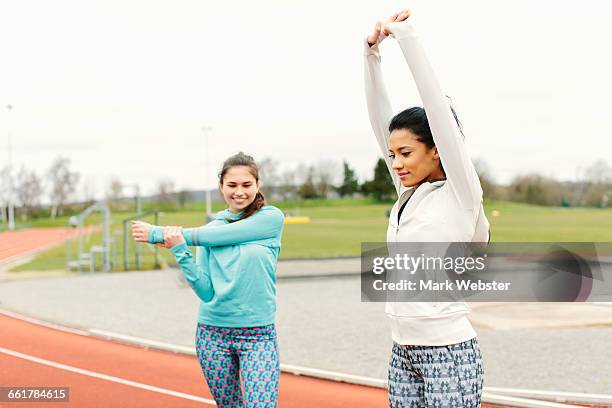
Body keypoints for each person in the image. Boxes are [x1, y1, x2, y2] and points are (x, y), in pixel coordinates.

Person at [364, 9, 489, 407]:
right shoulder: (407, 197)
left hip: (448, 354)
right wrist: (370, 56)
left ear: (437, 151)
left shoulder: (462, 196)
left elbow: (438, 114)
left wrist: (408, 41)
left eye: (406, 153)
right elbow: (378, 120)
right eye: (392, 155)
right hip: (402, 351)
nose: (397, 163)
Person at [132, 152, 284, 408]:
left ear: (257, 185)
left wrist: (158, 233)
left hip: (258, 336)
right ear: (221, 187)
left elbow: (221, 236)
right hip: (213, 335)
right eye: (232, 185)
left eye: (247, 185)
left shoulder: (270, 219)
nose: (239, 192)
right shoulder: (210, 231)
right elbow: (205, 291)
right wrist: (179, 249)